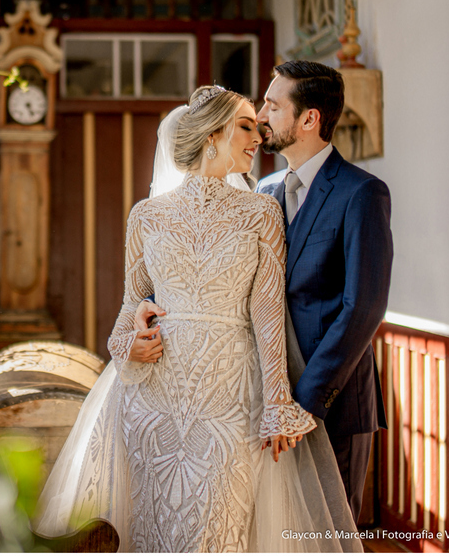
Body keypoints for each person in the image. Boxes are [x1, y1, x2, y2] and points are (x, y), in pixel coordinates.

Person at [33, 85, 362, 552]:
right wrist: (125, 344)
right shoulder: (146, 216)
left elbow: (267, 314)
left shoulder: (261, 213)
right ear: (212, 134)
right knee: (155, 529)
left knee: (220, 528)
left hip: (230, 399)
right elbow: (131, 306)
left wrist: (276, 406)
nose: (258, 136)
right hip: (153, 399)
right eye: (246, 125)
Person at [137, 61, 393, 523]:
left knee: (327, 534)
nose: (261, 117)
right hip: (256, 402)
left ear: (309, 119)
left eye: (273, 106)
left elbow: (363, 308)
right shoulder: (262, 194)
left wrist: (302, 403)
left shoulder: (362, 193)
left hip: (327, 401)